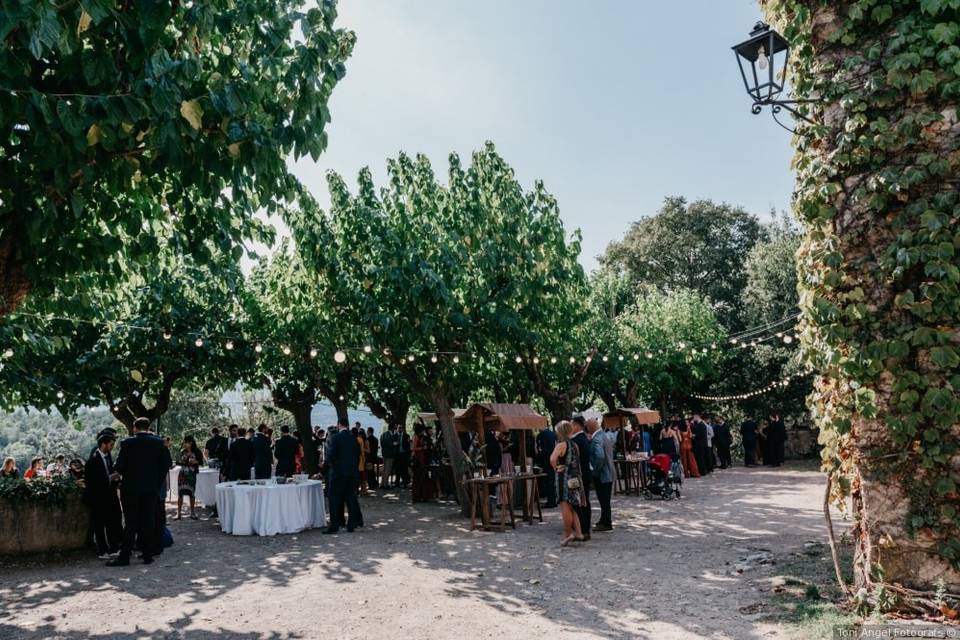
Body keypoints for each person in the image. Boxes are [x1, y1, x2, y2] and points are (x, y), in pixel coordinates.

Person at [108, 417, 171, 567]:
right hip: (150, 489)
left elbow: (120, 466)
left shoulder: (127, 443)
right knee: (148, 521)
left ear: (135, 428)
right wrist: (156, 482)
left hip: (130, 489)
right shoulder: (158, 443)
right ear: (148, 427)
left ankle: (125, 556)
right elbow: (166, 465)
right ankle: (148, 555)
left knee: (131, 523)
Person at [84, 433, 122, 558]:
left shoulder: (108, 457)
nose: (112, 447)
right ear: (103, 444)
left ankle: (113, 548)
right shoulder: (93, 460)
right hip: (97, 498)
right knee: (99, 525)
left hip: (109, 496)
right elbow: (92, 482)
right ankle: (102, 550)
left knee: (112, 523)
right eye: (111, 445)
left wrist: (116, 479)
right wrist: (110, 478)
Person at [323, 419, 363, 534]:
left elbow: (330, 456)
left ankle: (334, 525)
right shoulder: (354, 438)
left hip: (338, 473)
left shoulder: (335, 438)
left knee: (334, 499)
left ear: (339, 425)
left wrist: (330, 467)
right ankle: (351, 524)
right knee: (350, 499)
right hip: (352, 473)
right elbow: (357, 455)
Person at [550, 420, 585, 547]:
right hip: (575, 479)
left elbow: (552, 459)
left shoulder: (560, 445)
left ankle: (568, 533)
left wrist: (556, 467)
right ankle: (579, 533)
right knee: (573, 506)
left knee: (565, 507)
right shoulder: (575, 445)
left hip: (564, 479)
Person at [587, 418, 615, 532]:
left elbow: (600, 456)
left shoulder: (597, 438)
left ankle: (606, 522)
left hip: (603, 475)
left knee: (604, 500)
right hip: (608, 473)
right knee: (605, 500)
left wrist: (595, 471)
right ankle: (604, 520)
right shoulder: (604, 436)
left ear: (590, 427)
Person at [570, 416, 593, 541]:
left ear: (577, 425)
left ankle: (583, 529)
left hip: (580, 475)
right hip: (584, 474)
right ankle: (584, 529)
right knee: (584, 502)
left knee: (580, 503)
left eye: (571, 424)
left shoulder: (578, 440)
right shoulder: (582, 438)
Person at [176, 436, 203, 520]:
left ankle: (192, 512)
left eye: (185, 442)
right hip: (182, 474)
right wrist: (181, 462)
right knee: (180, 493)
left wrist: (195, 461)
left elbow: (201, 462)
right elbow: (178, 462)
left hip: (192, 474)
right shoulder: (182, 451)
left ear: (190, 443)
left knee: (191, 493)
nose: (184, 444)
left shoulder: (197, 451)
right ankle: (179, 513)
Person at [411, 423, 436, 502]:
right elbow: (413, 448)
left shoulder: (421, 437)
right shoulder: (416, 437)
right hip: (418, 459)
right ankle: (417, 496)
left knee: (423, 477)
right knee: (418, 478)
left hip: (422, 459)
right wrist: (422, 448)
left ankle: (423, 495)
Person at [535, 425, 558, 508]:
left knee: (548, 482)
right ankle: (554, 500)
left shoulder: (540, 436)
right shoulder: (553, 434)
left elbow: (539, 450)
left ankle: (551, 501)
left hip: (546, 461)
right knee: (552, 481)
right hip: (554, 459)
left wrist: (539, 461)